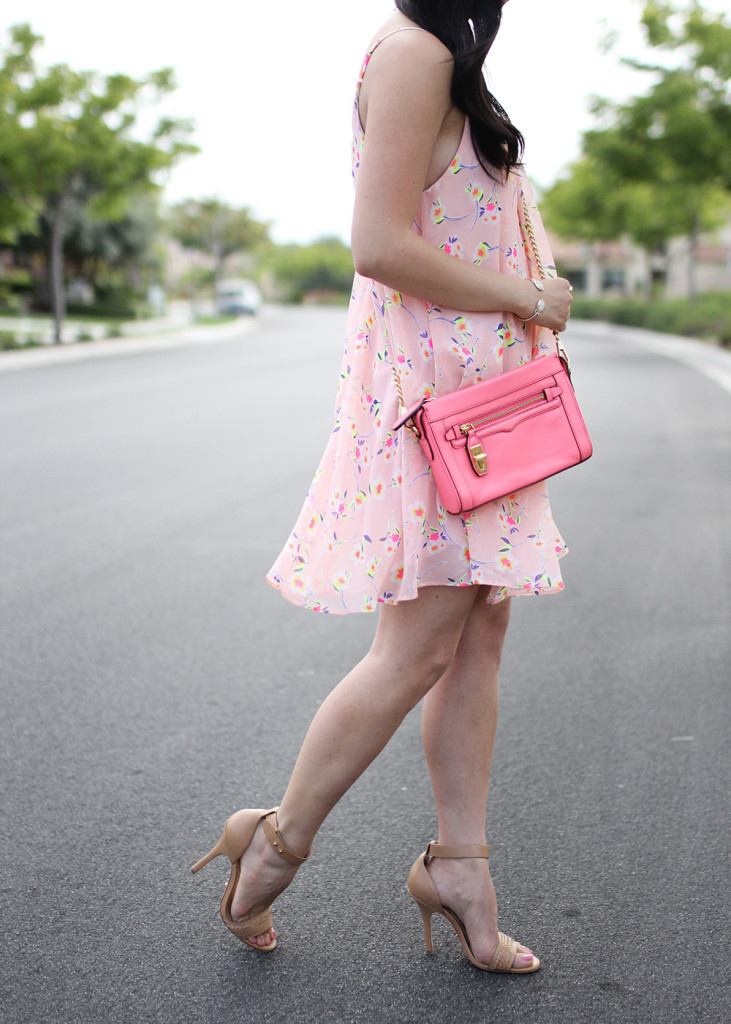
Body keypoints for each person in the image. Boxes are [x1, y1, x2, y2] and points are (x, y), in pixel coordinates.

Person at [192, 0, 573, 974]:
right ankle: (272, 844)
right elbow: (376, 243)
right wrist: (526, 297)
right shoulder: (409, 52)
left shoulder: (449, 54)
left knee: (475, 632)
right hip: (438, 410)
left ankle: (461, 869)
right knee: (412, 651)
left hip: (487, 412)